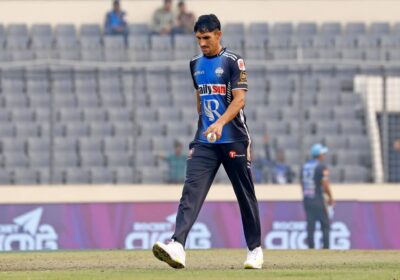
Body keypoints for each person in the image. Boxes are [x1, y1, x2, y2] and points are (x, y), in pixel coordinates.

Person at [152, 14, 263, 269]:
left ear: (218, 34)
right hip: (205, 140)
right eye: (198, 38)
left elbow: (239, 100)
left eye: (206, 38)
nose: (202, 43)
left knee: (244, 195)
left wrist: (220, 123)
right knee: (191, 191)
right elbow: (200, 97)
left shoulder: (234, 61)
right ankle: (177, 245)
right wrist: (204, 124)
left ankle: (254, 250)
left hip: (233, 137)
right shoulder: (195, 64)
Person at [301, 143, 334, 249]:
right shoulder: (321, 167)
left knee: (310, 225)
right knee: (325, 224)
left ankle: (311, 248)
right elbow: (325, 184)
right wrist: (330, 197)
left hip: (307, 199)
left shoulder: (304, 167)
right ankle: (326, 248)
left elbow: (302, 184)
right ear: (319, 155)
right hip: (318, 199)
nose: (324, 156)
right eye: (323, 153)